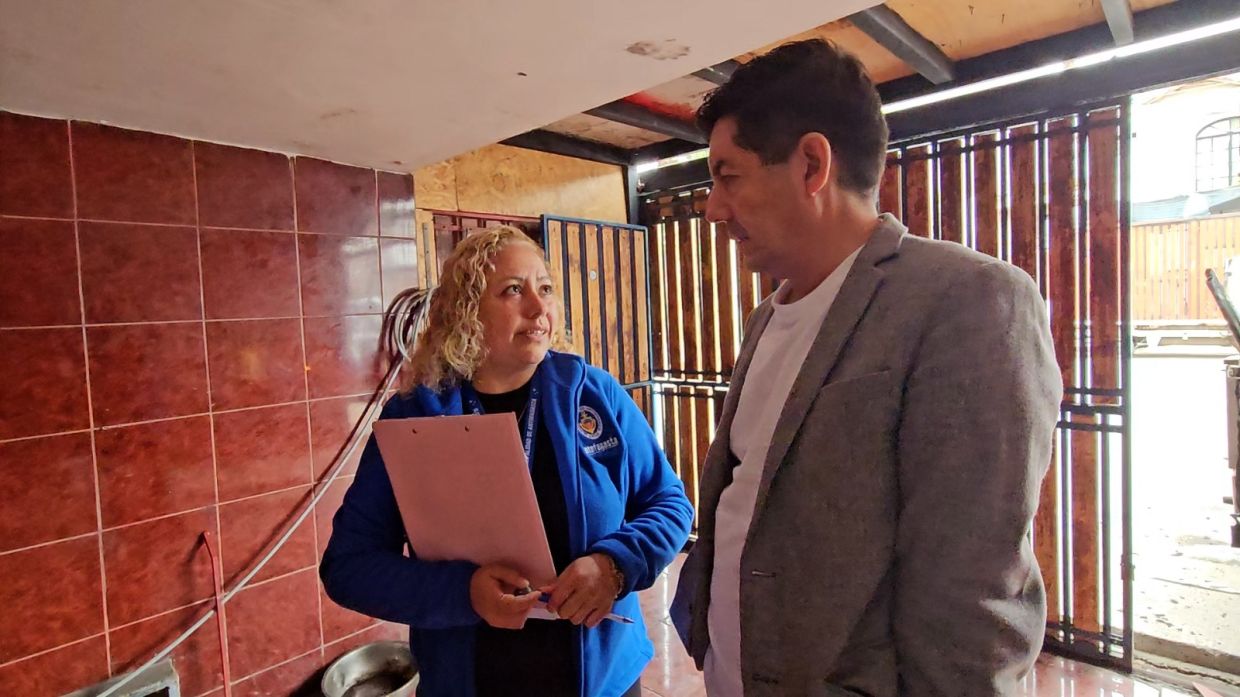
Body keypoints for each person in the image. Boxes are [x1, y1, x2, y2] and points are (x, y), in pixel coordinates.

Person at [669, 39, 1063, 696]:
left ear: (812, 165)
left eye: (728, 176)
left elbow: (972, 592)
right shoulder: (766, 317)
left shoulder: (966, 300)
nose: (713, 208)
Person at [321, 225, 694, 697]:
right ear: (466, 311)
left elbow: (670, 503)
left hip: (604, 682)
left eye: (546, 288)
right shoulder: (415, 418)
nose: (539, 308)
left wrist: (615, 566)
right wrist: (463, 593)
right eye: (514, 290)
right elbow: (349, 568)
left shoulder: (595, 396)